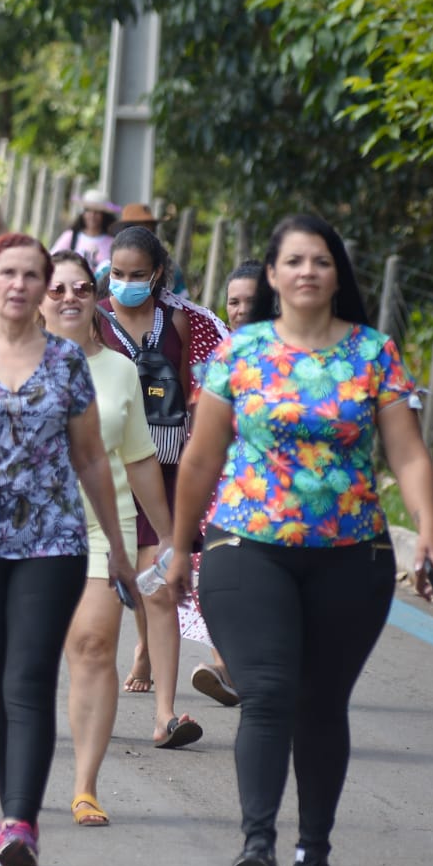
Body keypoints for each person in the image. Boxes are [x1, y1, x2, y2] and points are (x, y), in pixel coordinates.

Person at [168, 213, 433, 866]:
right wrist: (180, 548)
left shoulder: (373, 353)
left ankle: (312, 851)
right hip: (246, 544)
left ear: (336, 273)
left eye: (321, 260)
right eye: (294, 261)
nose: (308, 272)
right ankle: (257, 845)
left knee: (321, 701)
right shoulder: (241, 352)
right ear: (272, 274)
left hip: (352, 554)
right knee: (266, 692)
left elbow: (407, 455)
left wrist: (429, 532)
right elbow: (202, 460)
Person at [0, 233, 134, 866]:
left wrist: (118, 550)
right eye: (6, 273)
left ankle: (20, 825)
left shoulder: (68, 362)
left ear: (44, 288)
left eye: (31, 275)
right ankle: (11, 813)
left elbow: (92, 457)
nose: (18, 285)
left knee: (29, 678)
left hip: (52, 541)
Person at [40, 249, 174, 828]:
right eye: (57, 289)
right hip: (28, 530)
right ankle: (20, 787)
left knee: (94, 646)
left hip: (104, 527)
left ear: (95, 298)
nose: (69, 297)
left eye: (80, 288)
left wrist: (168, 536)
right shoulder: (6, 361)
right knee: (29, 661)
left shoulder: (120, 370)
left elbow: (141, 460)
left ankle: (85, 785)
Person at [96, 225, 203, 747]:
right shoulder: (93, 320)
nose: (127, 284)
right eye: (118, 274)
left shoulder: (176, 320)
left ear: (157, 274)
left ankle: (166, 715)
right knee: (99, 601)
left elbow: (181, 388)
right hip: (108, 474)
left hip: (162, 469)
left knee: (158, 590)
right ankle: (90, 708)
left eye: (138, 275)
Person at [189, 258, 264, 709]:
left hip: (278, 497)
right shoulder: (219, 358)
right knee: (214, 582)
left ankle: (248, 665)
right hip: (222, 489)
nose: (239, 310)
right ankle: (224, 665)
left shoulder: (298, 357)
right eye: (233, 301)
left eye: (251, 301)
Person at [50, 188, 117, 273]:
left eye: (97, 212)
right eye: (88, 210)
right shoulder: (71, 236)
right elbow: (53, 259)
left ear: (104, 215)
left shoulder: (112, 242)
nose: (92, 215)